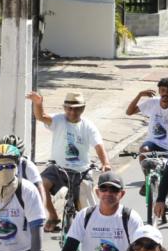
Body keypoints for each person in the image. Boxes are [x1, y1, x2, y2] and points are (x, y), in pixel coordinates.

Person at [27, 91, 110, 231]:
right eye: (69, 108)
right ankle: (53, 216)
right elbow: (41, 116)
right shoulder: (58, 120)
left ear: (83, 109)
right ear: (64, 108)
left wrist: (105, 163)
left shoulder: (88, 126)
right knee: (40, 186)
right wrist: (38, 103)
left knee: (87, 215)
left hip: (81, 171)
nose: (72, 112)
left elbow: (98, 145)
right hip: (58, 168)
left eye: (77, 109)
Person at [125, 77, 168, 225]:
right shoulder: (152, 103)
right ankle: (147, 180)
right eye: (162, 90)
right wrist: (139, 95)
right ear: (159, 91)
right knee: (143, 150)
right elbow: (129, 112)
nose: (165, 94)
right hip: (153, 143)